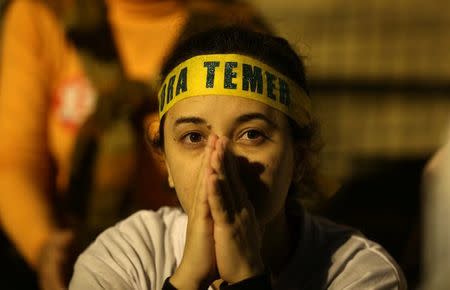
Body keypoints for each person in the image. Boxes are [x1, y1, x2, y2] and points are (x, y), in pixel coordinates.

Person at [69, 26, 407, 290]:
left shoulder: (360, 273)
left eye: (251, 135)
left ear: (299, 159)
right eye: (193, 137)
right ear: (166, 163)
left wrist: (246, 279)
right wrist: (186, 281)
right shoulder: (125, 258)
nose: (219, 165)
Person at [0, 1, 267, 289]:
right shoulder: (46, 12)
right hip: (75, 245)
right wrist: (43, 246)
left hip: (203, 254)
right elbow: (14, 158)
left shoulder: (231, 24)